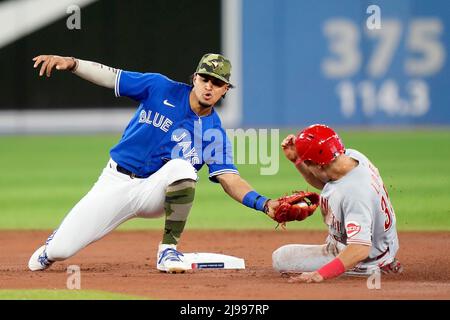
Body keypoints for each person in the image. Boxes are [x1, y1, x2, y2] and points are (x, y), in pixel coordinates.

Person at [28, 53, 278, 273]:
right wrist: (73, 64)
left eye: (217, 83)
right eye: (205, 79)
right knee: (59, 251)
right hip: (115, 181)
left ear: (226, 90)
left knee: (183, 168)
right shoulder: (160, 87)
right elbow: (112, 77)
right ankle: (53, 245)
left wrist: (264, 204)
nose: (209, 87)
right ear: (195, 79)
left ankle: (168, 250)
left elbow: (230, 179)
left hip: (154, 192)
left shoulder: (214, 133)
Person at [271, 124, 403, 283]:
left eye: (308, 163)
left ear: (319, 164)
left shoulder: (355, 193)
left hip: (366, 258)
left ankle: (368, 269)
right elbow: (326, 182)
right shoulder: (351, 157)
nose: (306, 165)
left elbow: (360, 248)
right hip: (381, 245)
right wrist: (297, 160)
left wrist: (320, 274)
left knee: (281, 259)